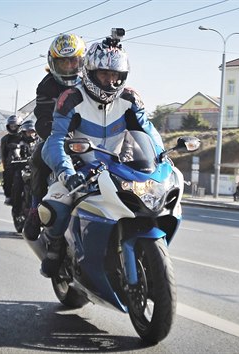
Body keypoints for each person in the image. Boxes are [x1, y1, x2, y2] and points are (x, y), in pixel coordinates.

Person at [37, 32, 165, 278]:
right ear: (91, 72)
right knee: (55, 204)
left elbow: (148, 131)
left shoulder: (130, 98)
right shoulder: (71, 98)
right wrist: (66, 172)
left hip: (120, 166)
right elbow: (55, 140)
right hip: (80, 165)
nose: (110, 82)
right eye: (104, 75)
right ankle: (54, 247)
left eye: (116, 76)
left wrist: (161, 158)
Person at [22, 33, 86, 241]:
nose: (68, 66)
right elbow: (42, 119)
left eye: (73, 61)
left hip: (89, 137)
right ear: (53, 62)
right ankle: (34, 210)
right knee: (38, 158)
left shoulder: (89, 82)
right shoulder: (47, 85)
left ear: (81, 61)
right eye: (62, 62)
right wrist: (57, 138)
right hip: (56, 135)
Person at [0, 115, 23, 205]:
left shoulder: (24, 136)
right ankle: (8, 196)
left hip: (26, 161)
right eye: (11, 126)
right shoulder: (5, 139)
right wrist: (5, 165)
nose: (13, 128)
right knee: (8, 177)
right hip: (12, 163)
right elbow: (3, 153)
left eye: (15, 126)